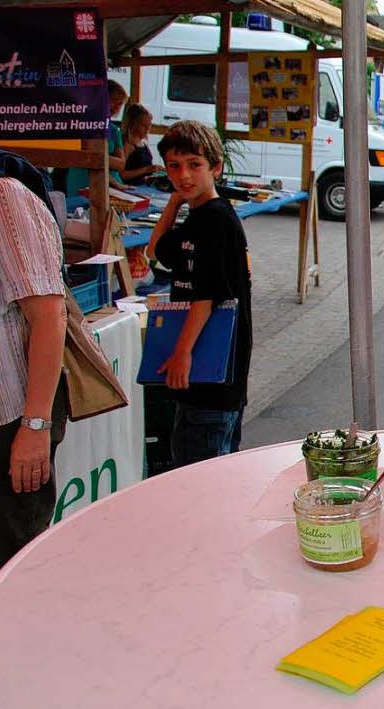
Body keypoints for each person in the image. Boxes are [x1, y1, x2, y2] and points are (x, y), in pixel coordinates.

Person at [147, 121, 253, 468]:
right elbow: (156, 250)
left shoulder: (217, 219)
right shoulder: (197, 216)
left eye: (194, 165)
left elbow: (207, 296)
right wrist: (174, 204)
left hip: (213, 377)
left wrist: (182, 353)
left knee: (200, 474)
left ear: (215, 167)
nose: (184, 176)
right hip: (205, 379)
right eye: (174, 167)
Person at [0, 149, 67, 579]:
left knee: (7, 572)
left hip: (6, 423)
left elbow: (49, 318)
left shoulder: (1, 194)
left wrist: (35, 428)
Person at [65, 80, 131, 196]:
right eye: (114, 101)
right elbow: (84, 157)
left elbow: (120, 164)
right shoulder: (82, 124)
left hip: (113, 187)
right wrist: (103, 159)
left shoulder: (114, 130)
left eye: (120, 104)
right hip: (83, 183)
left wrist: (98, 156)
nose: (116, 107)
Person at [120, 103, 162, 184]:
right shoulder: (128, 144)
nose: (147, 129)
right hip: (131, 187)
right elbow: (121, 175)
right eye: (143, 125)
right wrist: (146, 169)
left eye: (149, 125)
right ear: (134, 124)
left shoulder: (143, 143)